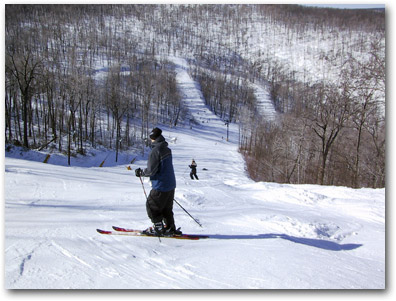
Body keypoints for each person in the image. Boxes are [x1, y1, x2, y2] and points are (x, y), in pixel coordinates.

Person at [135, 127, 181, 236]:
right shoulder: (166, 149)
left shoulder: (155, 151)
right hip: (170, 184)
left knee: (152, 206)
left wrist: (141, 172)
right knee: (166, 209)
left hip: (161, 185)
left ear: (153, 138)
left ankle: (159, 228)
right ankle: (170, 227)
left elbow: (151, 171)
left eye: (150, 138)